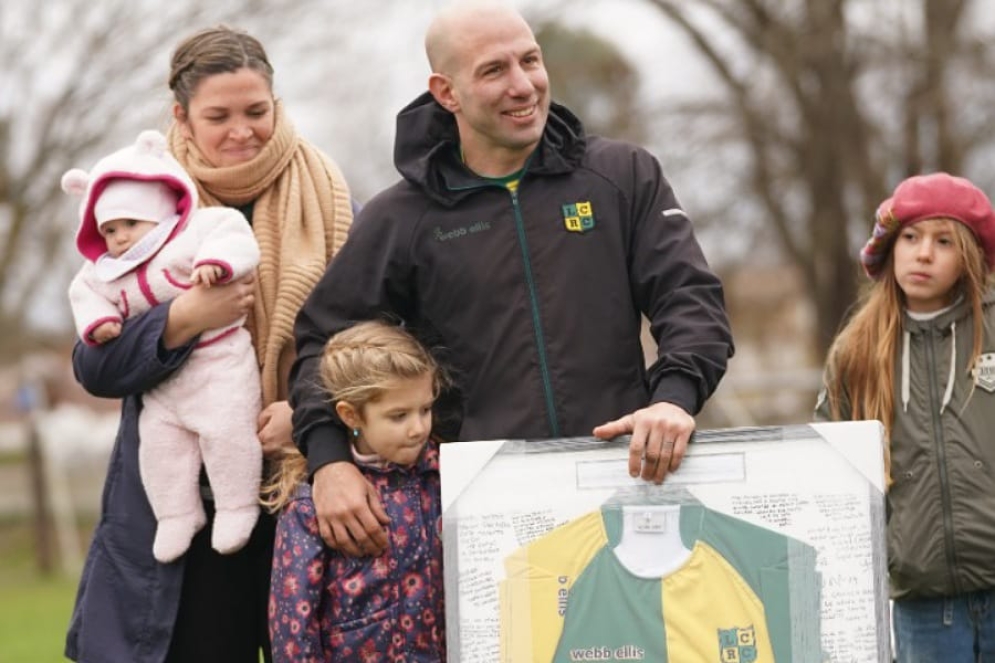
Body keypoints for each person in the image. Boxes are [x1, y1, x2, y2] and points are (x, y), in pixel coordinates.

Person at [290, 0, 734, 559]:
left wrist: (674, 399)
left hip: (628, 488)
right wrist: (329, 460)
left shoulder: (622, 176)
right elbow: (319, 345)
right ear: (446, 92)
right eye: (494, 70)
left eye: (530, 61)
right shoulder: (399, 219)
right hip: (481, 514)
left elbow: (690, 300)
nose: (523, 85)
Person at [64, 25, 354, 663]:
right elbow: (95, 363)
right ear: (181, 117)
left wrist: (310, 419)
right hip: (185, 500)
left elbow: (359, 338)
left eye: (257, 111)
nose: (242, 131)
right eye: (218, 116)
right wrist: (183, 318)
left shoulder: (326, 193)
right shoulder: (137, 204)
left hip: (302, 488)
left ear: (276, 104)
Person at [815, 172, 995, 662]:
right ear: (888, 249)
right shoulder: (858, 351)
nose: (923, 254)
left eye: (943, 242)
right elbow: (832, 475)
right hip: (922, 604)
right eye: (910, 238)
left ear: (970, 257)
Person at [64, 129, 263, 564]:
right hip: (164, 387)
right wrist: (99, 322)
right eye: (109, 229)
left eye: (130, 225)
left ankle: (236, 506)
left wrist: (217, 263)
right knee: (160, 450)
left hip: (219, 364)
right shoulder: (106, 270)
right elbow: (83, 293)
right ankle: (176, 515)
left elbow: (232, 232)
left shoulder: (191, 233)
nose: (119, 238)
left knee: (228, 433)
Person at [267, 320, 446, 662]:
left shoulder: (440, 478)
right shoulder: (311, 508)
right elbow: (293, 626)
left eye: (425, 409)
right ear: (351, 415)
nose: (418, 428)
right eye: (398, 416)